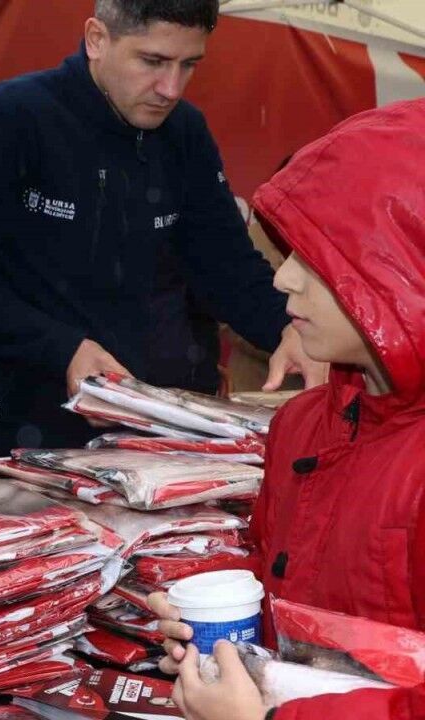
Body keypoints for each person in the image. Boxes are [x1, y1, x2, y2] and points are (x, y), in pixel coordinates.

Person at [0, 0, 325, 462]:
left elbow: (227, 267)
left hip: (156, 443)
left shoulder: (186, 133)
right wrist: (62, 349)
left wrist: (288, 328)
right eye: (153, 61)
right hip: (11, 441)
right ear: (96, 39)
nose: (170, 88)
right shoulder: (10, 117)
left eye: (188, 65)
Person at [148, 99, 425, 720]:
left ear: (404, 275)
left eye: (316, 260)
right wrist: (215, 631)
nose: (282, 280)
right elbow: (290, 587)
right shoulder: (300, 426)